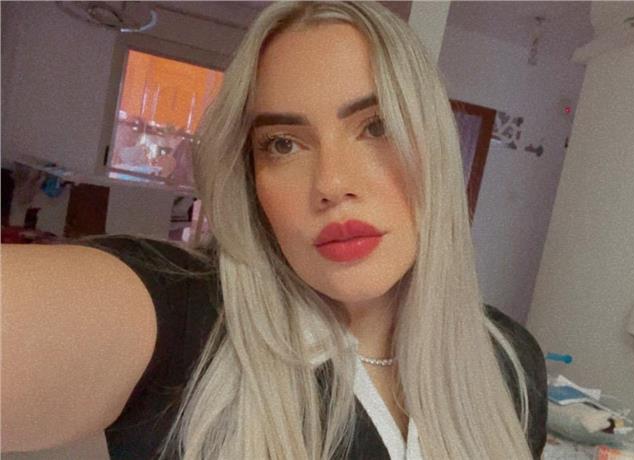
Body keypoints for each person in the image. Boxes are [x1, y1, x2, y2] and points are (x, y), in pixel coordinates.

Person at [1, 2, 547, 459]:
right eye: (283, 144)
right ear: (251, 178)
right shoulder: (191, 321)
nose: (331, 184)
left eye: (377, 126)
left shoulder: (511, 364)